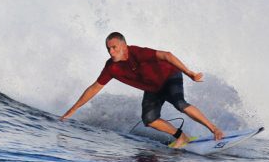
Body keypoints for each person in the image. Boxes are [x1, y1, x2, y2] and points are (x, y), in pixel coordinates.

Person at [60, 32, 223, 148]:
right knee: (149, 119)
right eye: (108, 49)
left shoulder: (138, 52)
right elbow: (95, 87)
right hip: (153, 88)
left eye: (114, 47)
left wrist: (190, 73)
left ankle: (214, 129)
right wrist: (73, 109)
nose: (111, 52)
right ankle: (182, 138)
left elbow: (167, 55)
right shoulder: (112, 68)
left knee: (179, 104)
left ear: (124, 46)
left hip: (169, 76)